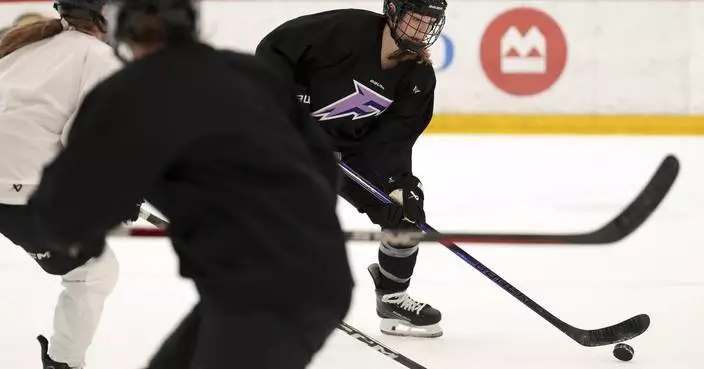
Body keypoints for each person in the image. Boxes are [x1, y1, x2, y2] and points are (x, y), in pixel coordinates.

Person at [24, 0, 354, 367]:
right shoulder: (249, 72)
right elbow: (324, 168)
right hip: (307, 274)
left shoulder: (126, 92)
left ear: (121, 28)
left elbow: (63, 213)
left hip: (263, 295)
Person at [255, 0, 448, 338]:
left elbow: (391, 143)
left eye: (428, 20)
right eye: (415, 17)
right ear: (393, 12)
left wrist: (400, 185)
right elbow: (275, 49)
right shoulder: (345, 31)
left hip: (348, 150)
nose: (421, 27)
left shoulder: (417, 78)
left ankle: (391, 298)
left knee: (404, 215)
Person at [0, 1, 122, 368]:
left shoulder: (25, 45)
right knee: (94, 272)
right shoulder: (99, 59)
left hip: (14, 183)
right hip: (17, 191)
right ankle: (64, 363)